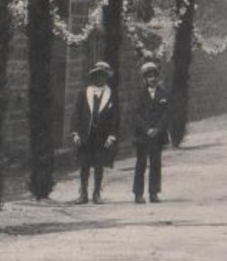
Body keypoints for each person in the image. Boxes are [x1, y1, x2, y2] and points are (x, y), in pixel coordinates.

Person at [70, 60, 119, 204]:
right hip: (86, 134)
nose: (100, 78)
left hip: (102, 136)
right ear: (93, 77)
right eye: (97, 75)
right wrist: (75, 133)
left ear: (106, 77)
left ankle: (97, 193)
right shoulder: (85, 93)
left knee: (99, 164)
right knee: (84, 164)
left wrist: (112, 135)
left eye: (103, 76)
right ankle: (83, 193)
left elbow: (116, 118)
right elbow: (76, 114)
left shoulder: (111, 95)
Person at [131, 59, 169, 203]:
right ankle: (138, 193)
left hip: (157, 136)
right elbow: (136, 114)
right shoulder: (140, 95)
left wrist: (157, 129)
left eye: (154, 76)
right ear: (145, 79)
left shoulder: (163, 94)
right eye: (149, 76)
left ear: (158, 77)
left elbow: (166, 114)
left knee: (155, 163)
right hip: (143, 135)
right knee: (140, 163)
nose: (152, 79)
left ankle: (153, 193)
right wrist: (147, 129)